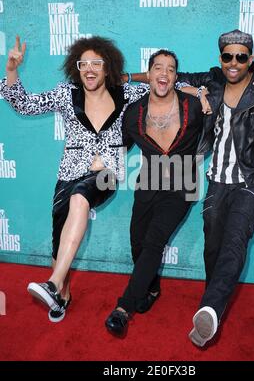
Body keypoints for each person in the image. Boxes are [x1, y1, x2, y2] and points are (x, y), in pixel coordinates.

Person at [128, 29, 254, 347]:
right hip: (217, 180)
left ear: (250, 58)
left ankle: (209, 308)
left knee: (235, 241)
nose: (234, 63)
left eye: (241, 56)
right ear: (220, 58)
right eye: (227, 56)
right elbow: (169, 79)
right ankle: (212, 304)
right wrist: (127, 76)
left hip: (251, 178)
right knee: (213, 247)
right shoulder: (213, 80)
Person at [0, 35, 149, 322]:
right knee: (60, 242)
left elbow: (164, 85)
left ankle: (53, 284)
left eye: (97, 63)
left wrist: (201, 92)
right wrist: (11, 70)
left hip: (105, 173)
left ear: (108, 68)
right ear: (76, 67)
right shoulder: (66, 93)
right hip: (68, 173)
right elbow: (25, 105)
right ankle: (62, 293)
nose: (90, 69)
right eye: (84, 64)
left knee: (81, 197)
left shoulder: (127, 94)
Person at [105, 49, 206, 337]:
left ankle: (124, 309)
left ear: (176, 76)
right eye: (158, 68)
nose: (164, 73)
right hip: (148, 184)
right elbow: (120, 146)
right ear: (148, 75)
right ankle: (151, 285)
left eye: (170, 69)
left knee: (152, 242)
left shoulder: (194, 106)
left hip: (181, 187)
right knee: (137, 242)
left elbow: (216, 90)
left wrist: (201, 93)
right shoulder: (134, 112)